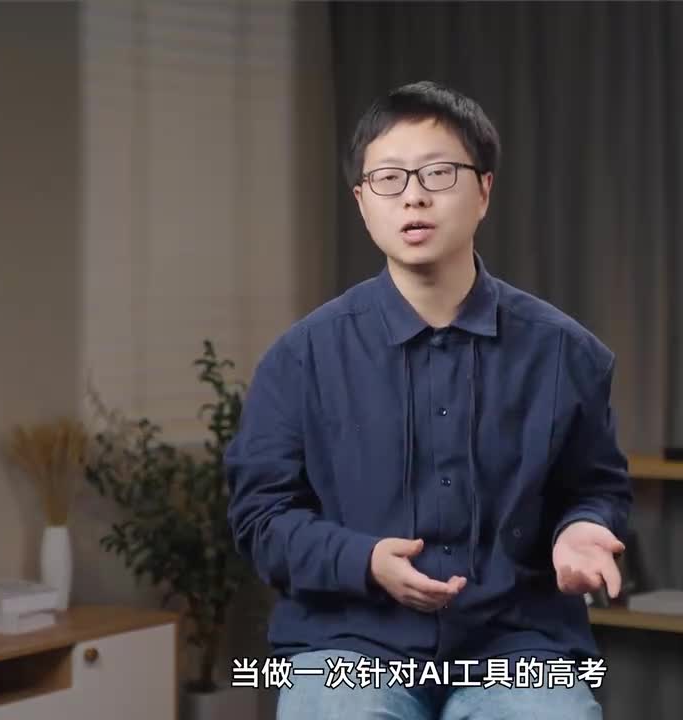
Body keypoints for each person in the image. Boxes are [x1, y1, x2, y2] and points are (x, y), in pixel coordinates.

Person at [225, 80, 632, 720]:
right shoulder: (301, 358)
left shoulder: (564, 353)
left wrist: (584, 527)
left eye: (438, 173)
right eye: (388, 179)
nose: (413, 195)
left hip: (515, 641)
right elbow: (260, 519)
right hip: (349, 641)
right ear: (363, 203)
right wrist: (363, 561)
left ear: (484, 191)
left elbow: (597, 487)